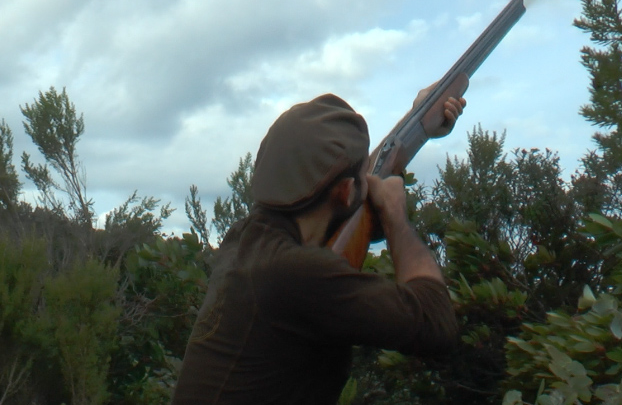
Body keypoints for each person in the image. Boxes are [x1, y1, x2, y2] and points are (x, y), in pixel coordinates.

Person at [171, 91, 466, 405]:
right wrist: (395, 217)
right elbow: (435, 321)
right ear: (346, 192)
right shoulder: (297, 273)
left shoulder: (244, 238)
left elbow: (346, 197)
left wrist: (418, 119)